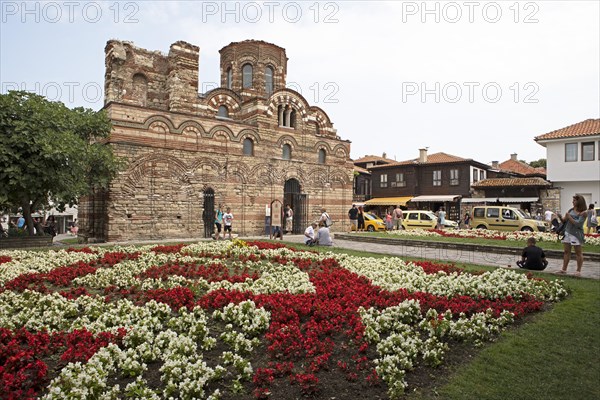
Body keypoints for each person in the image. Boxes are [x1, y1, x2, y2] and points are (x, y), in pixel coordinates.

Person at [556, 195, 588, 276]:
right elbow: (564, 220)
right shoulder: (571, 210)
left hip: (576, 234)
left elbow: (578, 224)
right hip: (567, 232)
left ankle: (578, 270)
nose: (572, 202)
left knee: (578, 252)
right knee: (566, 252)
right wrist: (560, 217)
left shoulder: (583, 212)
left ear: (579, 202)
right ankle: (564, 269)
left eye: (574, 200)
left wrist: (569, 217)